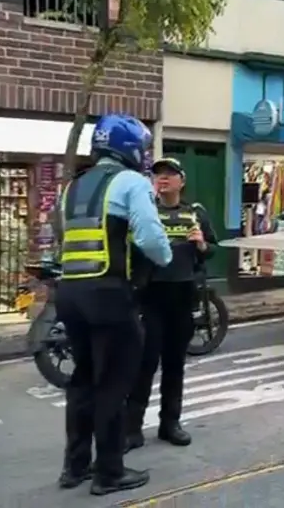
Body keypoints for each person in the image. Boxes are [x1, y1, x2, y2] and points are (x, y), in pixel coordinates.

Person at [56, 114, 172, 496]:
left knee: (83, 380)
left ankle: (74, 468)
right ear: (131, 148)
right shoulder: (131, 182)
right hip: (109, 294)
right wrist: (164, 257)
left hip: (70, 294)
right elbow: (152, 237)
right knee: (113, 383)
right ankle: (109, 472)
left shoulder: (72, 187)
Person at [125, 157, 217, 451]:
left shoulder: (195, 213)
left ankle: (170, 424)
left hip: (183, 296)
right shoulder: (145, 211)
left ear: (181, 181)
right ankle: (132, 428)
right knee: (145, 363)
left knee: (175, 364)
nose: (162, 178)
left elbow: (211, 250)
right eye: (158, 174)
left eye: (169, 174)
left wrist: (202, 245)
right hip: (151, 296)